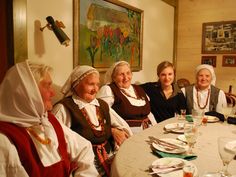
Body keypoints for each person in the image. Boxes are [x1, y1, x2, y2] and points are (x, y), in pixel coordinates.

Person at [0, 60, 99, 177]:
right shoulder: (4, 140)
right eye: (47, 86)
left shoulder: (48, 120)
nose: (52, 93)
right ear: (29, 93)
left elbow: (83, 147)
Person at [52, 65, 132, 177]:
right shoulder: (64, 108)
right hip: (84, 169)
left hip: (110, 161)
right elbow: (55, 143)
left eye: (97, 84)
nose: (95, 89)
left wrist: (114, 130)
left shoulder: (102, 105)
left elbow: (122, 126)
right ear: (76, 84)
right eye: (90, 84)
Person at [96, 61, 157, 134]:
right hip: (127, 135)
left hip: (148, 133)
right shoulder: (108, 90)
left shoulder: (138, 89)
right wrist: (113, 131)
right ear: (114, 77)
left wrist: (155, 129)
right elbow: (100, 114)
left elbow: (149, 114)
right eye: (121, 74)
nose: (126, 77)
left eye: (128, 73)